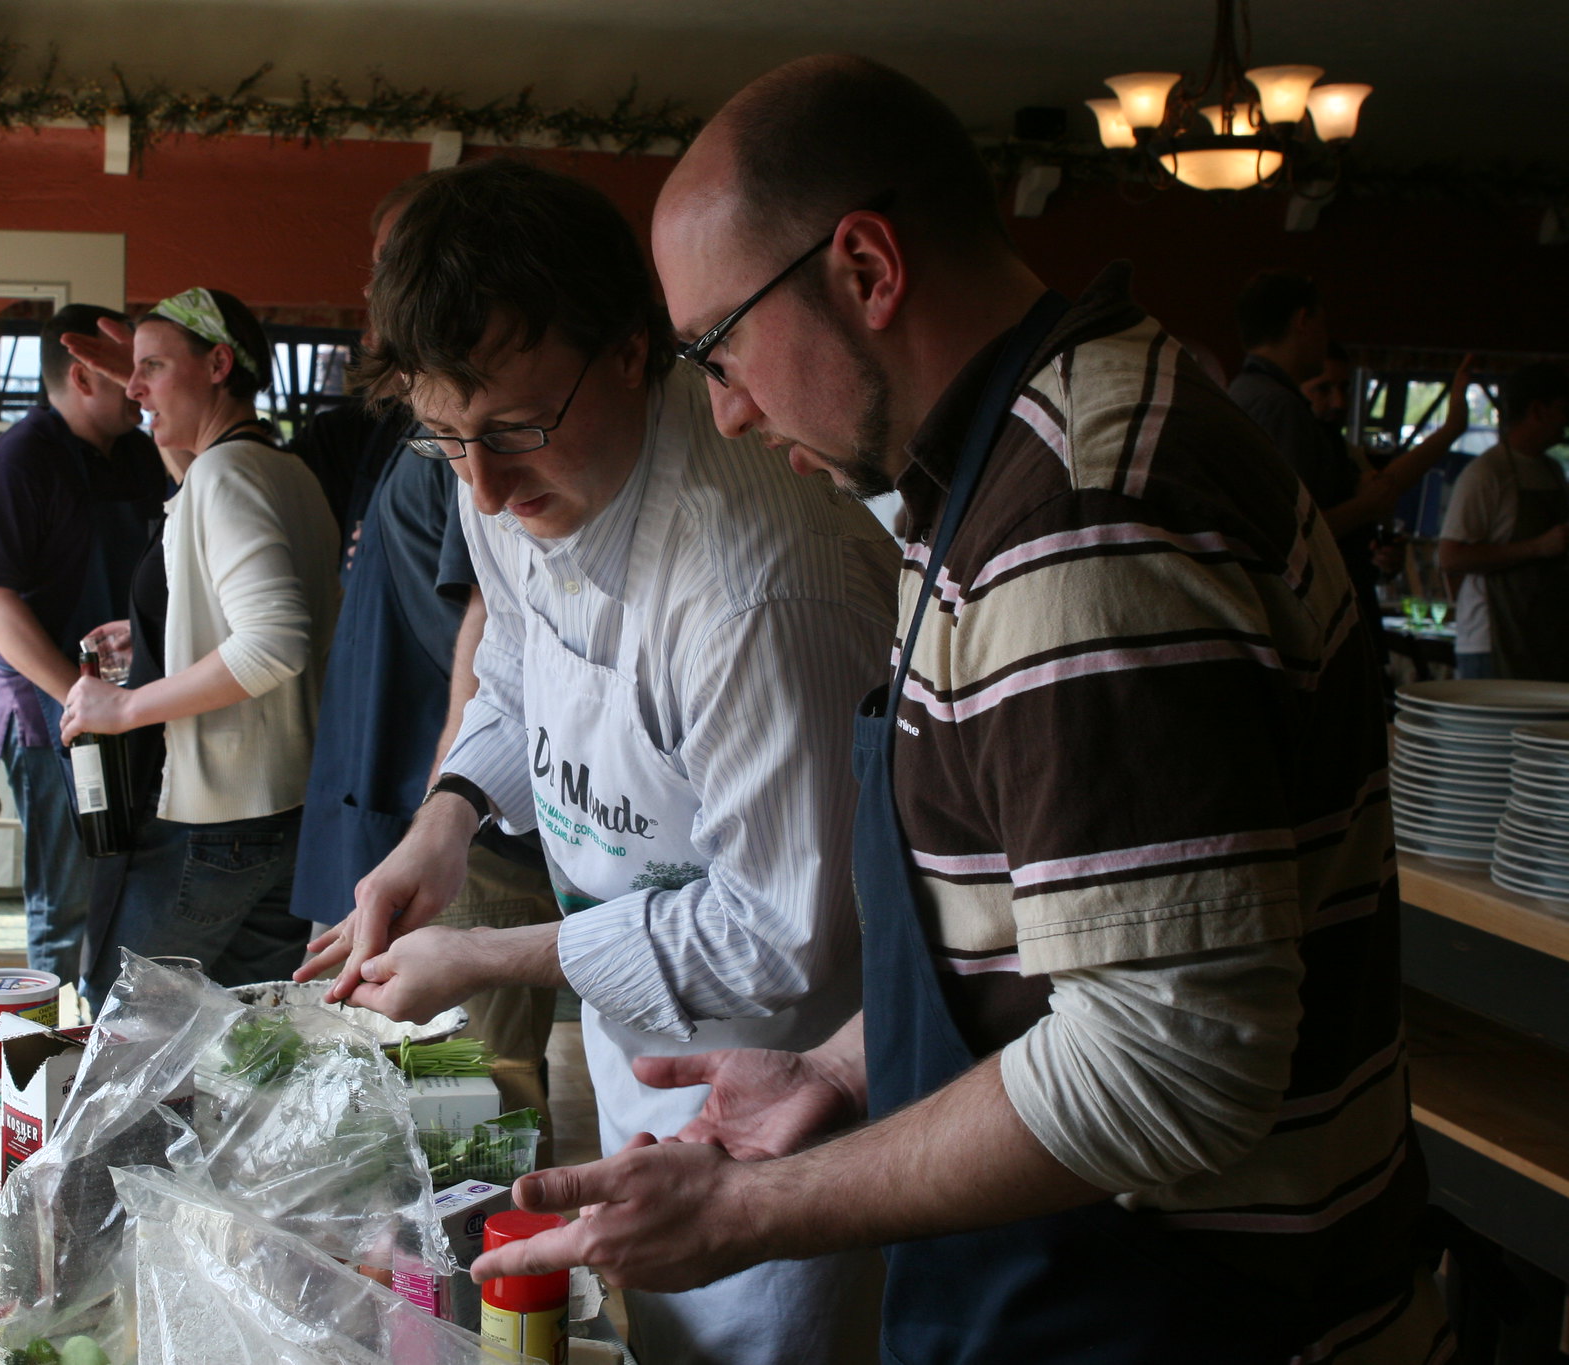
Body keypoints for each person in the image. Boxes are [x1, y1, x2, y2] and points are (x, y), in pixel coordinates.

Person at [475, 56, 1450, 1364]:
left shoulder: (1077, 521)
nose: (724, 408)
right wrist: (839, 1068)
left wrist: (754, 1208)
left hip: (1192, 1317)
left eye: (716, 349)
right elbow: (1040, 927)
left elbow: (1165, 1061)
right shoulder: (1010, 468)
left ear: (865, 269)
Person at [296, 157, 899, 1364]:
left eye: (517, 429)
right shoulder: (498, 466)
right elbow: (522, 663)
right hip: (644, 1043)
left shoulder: (751, 585)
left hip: (802, 1090)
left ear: (634, 349)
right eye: (444, 439)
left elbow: (784, 932)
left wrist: (481, 954)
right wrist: (445, 824)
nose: (487, 486)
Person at [290, 170, 564, 1136]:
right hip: (426, 808)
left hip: (475, 824)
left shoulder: (487, 451)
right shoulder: (413, 431)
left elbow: (491, 633)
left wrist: (447, 812)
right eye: (382, 271)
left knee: (471, 1094)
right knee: (414, 1082)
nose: (390, 292)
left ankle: (482, 1264)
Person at [57, 288, 339, 1006]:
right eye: (131, 371)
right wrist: (165, 621)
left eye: (150, 365)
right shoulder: (284, 469)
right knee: (245, 1045)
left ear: (218, 364)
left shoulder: (224, 475)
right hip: (289, 815)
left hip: (215, 822)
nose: (134, 387)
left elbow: (274, 643)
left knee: (120, 1022)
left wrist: (123, 708)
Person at [0, 305, 165, 981]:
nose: (139, 389)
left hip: (132, 703)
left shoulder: (138, 454)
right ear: (82, 376)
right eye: (127, 373)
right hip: (53, 716)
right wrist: (79, 696)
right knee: (65, 900)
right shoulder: (16, 461)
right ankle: (49, 1056)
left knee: (126, 888)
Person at [1232, 281, 1473, 637]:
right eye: (1323, 325)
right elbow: (1290, 533)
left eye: (1344, 389)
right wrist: (1365, 508)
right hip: (1308, 625)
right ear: (1303, 321)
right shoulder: (1279, 405)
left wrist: (1452, 428)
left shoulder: (1245, 391)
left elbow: (1382, 485)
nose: (1339, 404)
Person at [1438, 362, 1569, 680]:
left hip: (1544, 639)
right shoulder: (1487, 473)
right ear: (1538, 410)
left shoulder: (1553, 470)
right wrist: (1538, 547)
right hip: (1491, 642)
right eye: (1565, 409)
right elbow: (1450, 557)